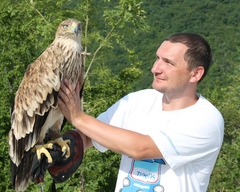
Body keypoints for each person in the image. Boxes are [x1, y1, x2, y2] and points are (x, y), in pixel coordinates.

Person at [57, 33, 224, 192]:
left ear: (195, 74)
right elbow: (90, 135)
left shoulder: (205, 119)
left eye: (168, 62)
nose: (155, 68)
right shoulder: (138, 101)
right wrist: (57, 148)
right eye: (157, 58)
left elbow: (141, 149)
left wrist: (77, 117)